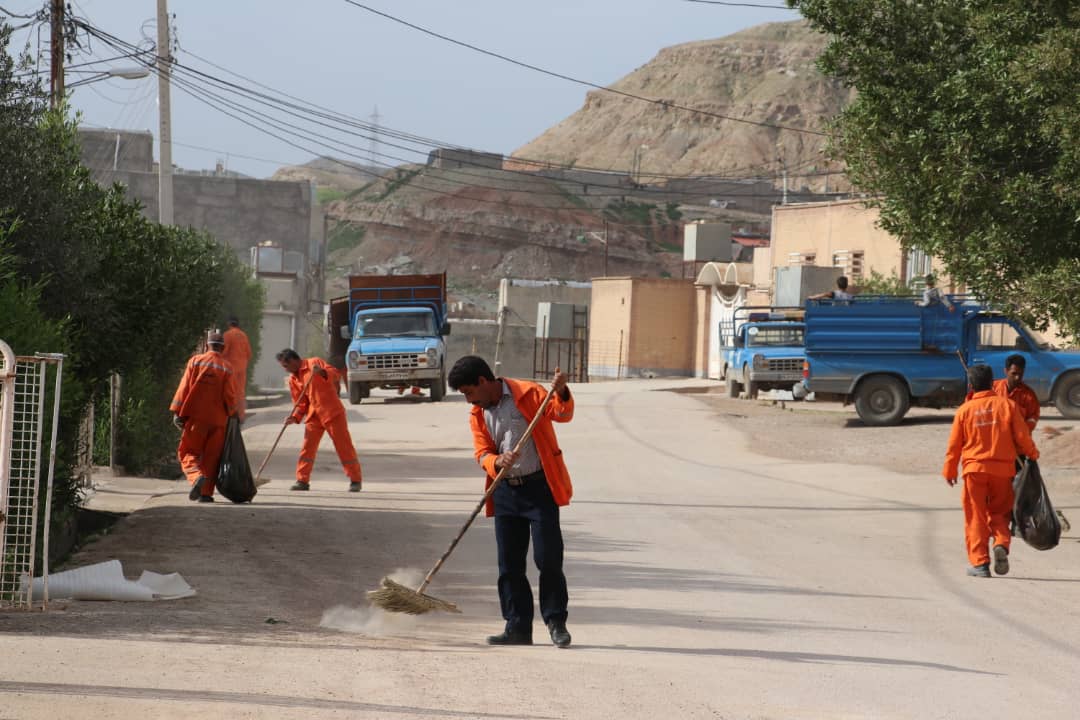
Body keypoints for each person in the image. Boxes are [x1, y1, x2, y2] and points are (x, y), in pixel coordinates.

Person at [447, 355, 575, 648]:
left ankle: (556, 622)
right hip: (505, 491)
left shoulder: (529, 393)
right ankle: (517, 627)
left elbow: (561, 413)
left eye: (469, 392)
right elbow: (481, 453)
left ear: (483, 381)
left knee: (548, 559)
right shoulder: (478, 414)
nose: (469, 400)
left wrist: (561, 390)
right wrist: (496, 460)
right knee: (509, 565)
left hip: (540, 488)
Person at [943, 364, 1039, 577]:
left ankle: (980, 563)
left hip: (974, 470)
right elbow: (1022, 437)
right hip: (1003, 471)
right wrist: (1033, 454)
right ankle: (1001, 544)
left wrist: (949, 470)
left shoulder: (964, 410)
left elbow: (954, 446)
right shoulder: (1007, 406)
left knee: (975, 516)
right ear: (992, 381)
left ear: (970, 385)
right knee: (1000, 512)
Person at [277, 348, 362, 492]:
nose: (286, 370)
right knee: (307, 449)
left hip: (332, 413)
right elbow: (300, 403)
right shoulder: (293, 380)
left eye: (286, 366)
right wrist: (294, 417)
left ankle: (355, 480)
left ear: (293, 361)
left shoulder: (314, 363)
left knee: (344, 447)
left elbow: (335, 374)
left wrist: (322, 372)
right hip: (314, 416)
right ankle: (302, 480)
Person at [170, 332, 240, 503]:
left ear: (208, 345)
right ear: (223, 348)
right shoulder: (227, 368)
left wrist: (177, 411)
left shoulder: (196, 361)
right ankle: (206, 493)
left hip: (196, 417)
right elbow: (230, 396)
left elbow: (184, 387)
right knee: (211, 457)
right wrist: (232, 414)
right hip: (218, 421)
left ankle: (195, 477)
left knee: (187, 451)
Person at [994, 354, 1040, 432]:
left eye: (1020, 374)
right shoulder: (993, 388)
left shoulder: (1029, 395)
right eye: (1014, 373)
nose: (1017, 377)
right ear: (1006, 371)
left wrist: (1021, 431)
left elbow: (1033, 418)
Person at [222, 317, 253, 420]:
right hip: (242, 368)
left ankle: (231, 415)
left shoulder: (227, 335)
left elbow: (223, 352)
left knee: (231, 390)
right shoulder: (243, 335)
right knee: (240, 392)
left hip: (231, 367)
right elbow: (249, 353)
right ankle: (241, 415)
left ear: (229, 324)